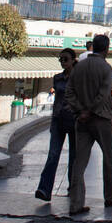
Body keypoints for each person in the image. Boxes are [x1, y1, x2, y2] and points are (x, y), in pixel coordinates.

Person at [65, 34, 112, 215]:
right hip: (101, 118)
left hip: (81, 120)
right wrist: (90, 110)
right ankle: (110, 196)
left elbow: (69, 92)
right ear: (106, 49)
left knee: (79, 162)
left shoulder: (78, 67)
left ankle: (76, 203)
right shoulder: (106, 68)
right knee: (108, 158)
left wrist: (80, 110)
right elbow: (104, 94)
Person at [35, 50, 77, 202]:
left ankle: (73, 188)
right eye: (61, 60)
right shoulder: (57, 78)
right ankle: (44, 188)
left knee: (74, 157)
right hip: (58, 119)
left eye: (65, 59)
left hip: (73, 120)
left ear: (73, 60)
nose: (63, 62)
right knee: (53, 154)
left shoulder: (78, 78)